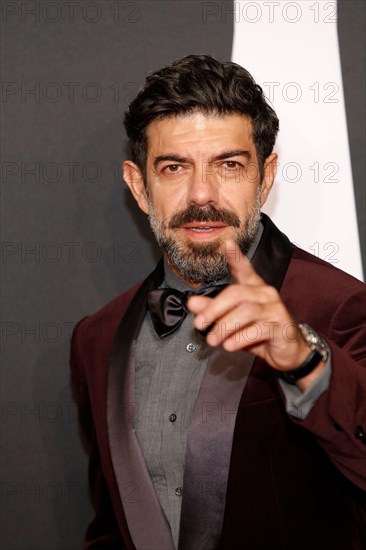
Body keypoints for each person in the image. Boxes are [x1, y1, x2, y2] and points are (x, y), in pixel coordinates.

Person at [70, 55, 366, 550]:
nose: (201, 194)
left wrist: (307, 362)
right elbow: (112, 524)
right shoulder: (96, 338)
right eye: (173, 167)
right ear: (139, 186)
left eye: (229, 165)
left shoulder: (340, 306)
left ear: (265, 177)